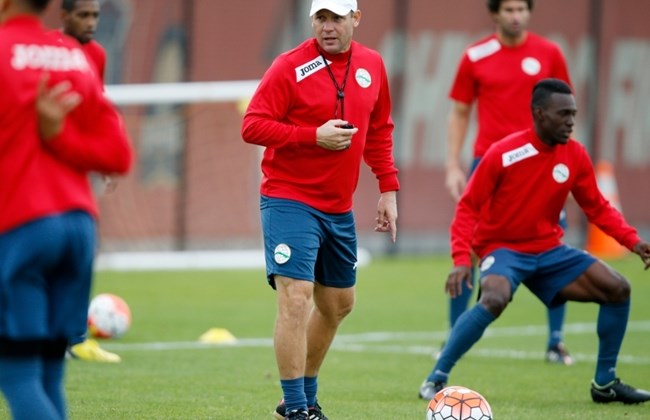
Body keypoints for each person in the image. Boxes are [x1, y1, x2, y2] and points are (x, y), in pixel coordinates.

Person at [420, 78, 650, 404]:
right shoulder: (504, 153)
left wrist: (632, 241)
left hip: (549, 250)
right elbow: (467, 208)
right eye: (563, 114)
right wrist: (461, 261)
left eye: (574, 114)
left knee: (618, 289)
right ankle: (436, 377)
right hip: (502, 249)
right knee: (494, 298)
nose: (571, 121)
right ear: (539, 114)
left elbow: (597, 207)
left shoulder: (575, 155)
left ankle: (604, 383)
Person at [241, 0, 399, 418]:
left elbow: (380, 129)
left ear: (356, 19)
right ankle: (297, 408)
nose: (328, 27)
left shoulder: (373, 65)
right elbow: (252, 125)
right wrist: (313, 136)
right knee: (296, 298)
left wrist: (388, 188)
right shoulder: (288, 66)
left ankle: (303, 396)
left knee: (338, 304)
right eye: (321, 18)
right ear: (312, 21)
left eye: (337, 18)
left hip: (338, 206)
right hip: (289, 198)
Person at [0, 0, 133, 417]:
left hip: (22, 227)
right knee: (47, 376)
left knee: (18, 378)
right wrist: (57, 137)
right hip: (78, 228)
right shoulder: (74, 58)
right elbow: (119, 156)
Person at [439, 0, 574, 372]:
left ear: (530, 12)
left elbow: (566, 110)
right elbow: (461, 111)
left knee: (554, 249)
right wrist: (453, 164)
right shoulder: (475, 55)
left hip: (542, 166)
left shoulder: (549, 53)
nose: (516, 15)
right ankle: (454, 336)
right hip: (490, 165)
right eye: (509, 9)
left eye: (522, 8)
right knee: (469, 245)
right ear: (495, 13)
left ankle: (555, 341)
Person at [57, 0, 121, 364]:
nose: (91, 22)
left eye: (95, 15)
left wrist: (105, 156)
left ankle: (75, 339)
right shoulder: (45, 52)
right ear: (64, 16)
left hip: (76, 168)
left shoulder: (95, 54)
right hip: (40, 168)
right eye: (83, 15)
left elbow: (95, 107)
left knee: (82, 249)